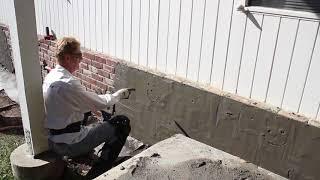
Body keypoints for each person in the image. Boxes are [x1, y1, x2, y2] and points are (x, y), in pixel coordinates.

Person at [42, 37, 131, 178]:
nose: (81, 59)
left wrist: (90, 106)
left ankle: (84, 154)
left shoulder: (51, 76)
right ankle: (99, 172)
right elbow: (100, 102)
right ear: (67, 57)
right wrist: (118, 95)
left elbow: (80, 103)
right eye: (78, 56)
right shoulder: (69, 83)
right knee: (121, 122)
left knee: (86, 113)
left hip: (53, 139)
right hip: (69, 144)